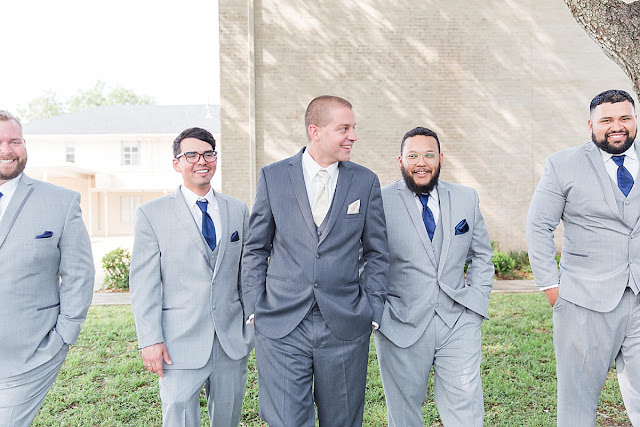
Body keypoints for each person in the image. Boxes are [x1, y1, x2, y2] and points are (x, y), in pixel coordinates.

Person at [241, 95, 389, 426]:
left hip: (345, 324)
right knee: (286, 420)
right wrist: (254, 307)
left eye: (354, 128)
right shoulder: (273, 177)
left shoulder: (364, 181)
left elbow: (377, 253)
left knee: (343, 420)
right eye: (344, 129)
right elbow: (256, 248)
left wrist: (372, 308)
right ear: (315, 131)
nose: (353, 136)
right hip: (281, 323)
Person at [527, 89, 640, 426]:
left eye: (625, 118)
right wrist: (552, 288)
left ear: (634, 120)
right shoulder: (562, 164)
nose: (617, 126)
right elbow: (538, 225)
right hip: (582, 302)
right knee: (577, 404)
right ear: (591, 125)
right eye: (607, 120)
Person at [130, 127, 254, 427]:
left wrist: (251, 325)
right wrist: (150, 340)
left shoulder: (237, 209)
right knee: (179, 418)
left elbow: (249, 272)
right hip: (177, 343)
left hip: (230, 341)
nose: (202, 161)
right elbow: (144, 284)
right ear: (177, 163)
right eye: (191, 155)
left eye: (208, 154)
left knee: (228, 419)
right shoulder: (151, 214)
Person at [375, 126, 494, 426]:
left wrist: (476, 303)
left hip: (458, 321)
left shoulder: (466, 198)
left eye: (429, 155)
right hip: (399, 323)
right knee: (404, 413)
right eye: (412, 156)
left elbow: (482, 255)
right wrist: (379, 313)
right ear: (399, 161)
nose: (421, 163)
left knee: (466, 409)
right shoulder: (379, 201)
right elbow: (366, 261)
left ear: (441, 158)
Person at [0, 110, 95, 426]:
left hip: (30, 355)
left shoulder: (61, 202)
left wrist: (65, 334)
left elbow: (79, 273)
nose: (7, 150)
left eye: (15, 141)